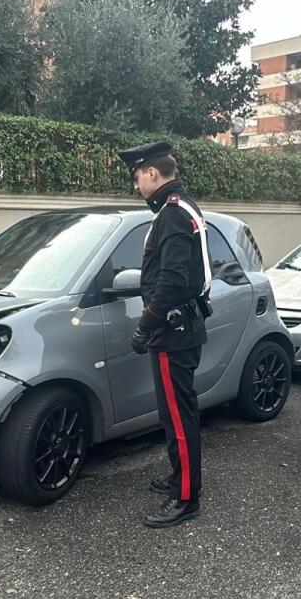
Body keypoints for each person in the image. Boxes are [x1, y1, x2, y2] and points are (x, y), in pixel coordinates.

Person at [117, 140, 211, 529]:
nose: (137, 183)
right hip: (180, 327)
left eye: (138, 175)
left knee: (178, 416)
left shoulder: (172, 214)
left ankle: (186, 497)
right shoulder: (180, 206)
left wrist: (146, 325)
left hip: (173, 331)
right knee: (175, 415)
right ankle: (180, 477)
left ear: (152, 173)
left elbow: (171, 281)